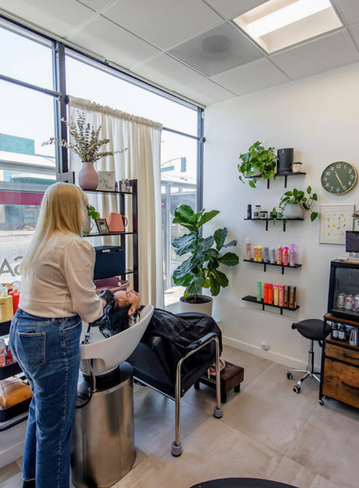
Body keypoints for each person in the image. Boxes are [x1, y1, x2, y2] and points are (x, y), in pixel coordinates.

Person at [9, 182, 121, 488]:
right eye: (84, 205)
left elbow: (60, 291)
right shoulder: (75, 244)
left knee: (39, 410)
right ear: (73, 209)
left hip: (22, 332)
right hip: (51, 338)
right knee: (56, 430)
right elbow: (88, 309)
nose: (86, 212)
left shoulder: (42, 242)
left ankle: (30, 479)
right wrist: (109, 300)